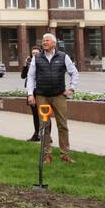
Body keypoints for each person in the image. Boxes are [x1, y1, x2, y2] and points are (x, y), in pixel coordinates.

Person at [26, 33, 80, 163]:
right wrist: (30, 94)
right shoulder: (37, 58)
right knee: (44, 126)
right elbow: (31, 76)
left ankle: (65, 154)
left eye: (47, 40)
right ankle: (46, 155)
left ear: (54, 43)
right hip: (42, 95)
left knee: (62, 125)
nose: (44, 42)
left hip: (58, 95)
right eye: (43, 40)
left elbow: (74, 72)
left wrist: (71, 88)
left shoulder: (63, 57)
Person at [19, 46, 41, 141]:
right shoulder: (30, 63)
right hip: (32, 91)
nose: (35, 54)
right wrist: (25, 65)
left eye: (36, 53)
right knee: (35, 114)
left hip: (42, 90)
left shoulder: (43, 62)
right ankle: (36, 134)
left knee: (44, 114)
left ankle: (47, 135)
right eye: (33, 53)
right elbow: (23, 76)